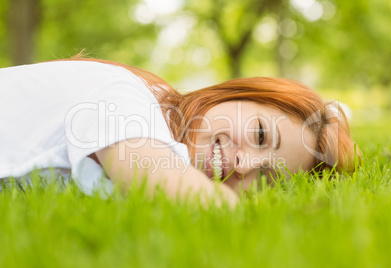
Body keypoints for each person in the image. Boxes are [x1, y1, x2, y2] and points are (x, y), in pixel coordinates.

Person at [0, 57, 359, 206]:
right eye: (262, 134)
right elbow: (151, 171)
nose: (245, 164)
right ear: (235, 94)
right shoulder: (127, 96)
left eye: (266, 177)